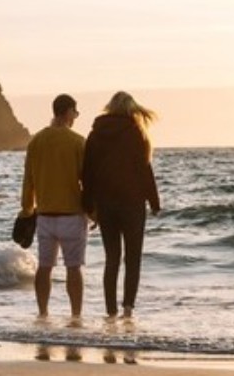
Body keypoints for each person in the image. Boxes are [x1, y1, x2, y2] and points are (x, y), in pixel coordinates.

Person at [82, 91, 161, 319]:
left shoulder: (95, 134)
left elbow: (88, 173)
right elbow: (144, 169)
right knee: (133, 257)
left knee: (112, 258)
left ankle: (110, 311)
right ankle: (127, 309)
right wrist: (154, 202)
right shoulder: (135, 132)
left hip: (106, 204)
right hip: (132, 204)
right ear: (130, 109)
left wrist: (89, 205)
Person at [20, 94, 89, 319]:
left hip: (45, 215)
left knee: (44, 267)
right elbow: (87, 180)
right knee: (74, 268)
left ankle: (43, 314)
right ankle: (76, 316)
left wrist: (27, 208)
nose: (75, 117)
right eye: (75, 113)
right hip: (71, 215)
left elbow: (28, 180)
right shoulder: (78, 142)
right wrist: (94, 211)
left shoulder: (36, 141)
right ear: (68, 112)